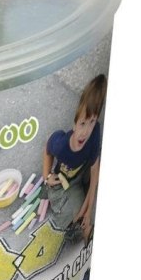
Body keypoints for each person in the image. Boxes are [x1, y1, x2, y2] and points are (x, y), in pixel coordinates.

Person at [43, 74, 107, 242]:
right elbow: (47, 150)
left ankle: (87, 233)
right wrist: (47, 176)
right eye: (82, 123)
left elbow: (95, 171)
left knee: (85, 216)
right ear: (74, 123)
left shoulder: (94, 132)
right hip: (64, 181)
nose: (85, 132)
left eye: (92, 122)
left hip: (81, 173)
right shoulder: (61, 146)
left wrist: (88, 210)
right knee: (70, 216)